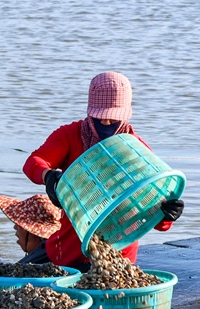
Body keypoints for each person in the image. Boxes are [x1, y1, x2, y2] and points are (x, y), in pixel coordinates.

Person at [22, 71, 183, 270]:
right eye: (100, 118)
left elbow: (154, 218)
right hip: (69, 252)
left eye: (113, 119)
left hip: (118, 256)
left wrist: (167, 215)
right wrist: (48, 176)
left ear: (125, 115)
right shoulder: (71, 136)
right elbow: (33, 162)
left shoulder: (138, 153)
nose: (106, 123)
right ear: (90, 112)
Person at [0, 194, 63, 264]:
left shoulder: (32, 265)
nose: (15, 227)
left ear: (33, 233)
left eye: (20, 224)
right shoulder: (58, 252)